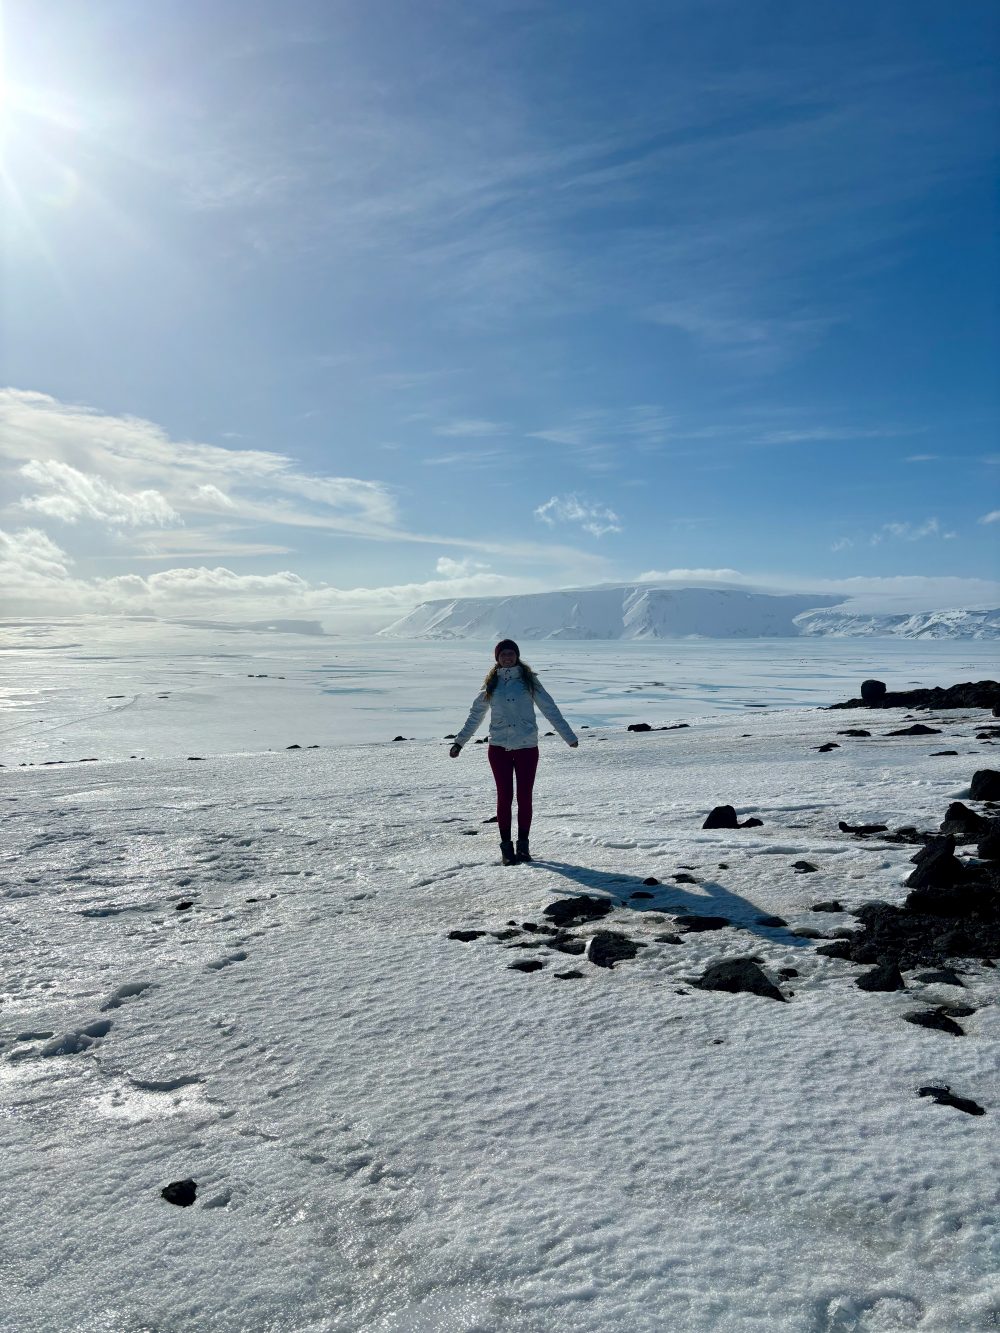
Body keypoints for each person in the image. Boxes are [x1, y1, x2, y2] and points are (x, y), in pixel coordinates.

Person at [449, 639, 578, 865]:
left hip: (527, 747)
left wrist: (569, 737)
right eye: (503, 654)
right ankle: (506, 849)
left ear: (517, 656)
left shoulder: (529, 682)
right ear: (497, 659)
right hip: (498, 748)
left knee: (524, 796)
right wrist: (460, 742)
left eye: (511, 654)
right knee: (504, 797)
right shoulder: (491, 685)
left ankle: (524, 847)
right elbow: (475, 715)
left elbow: (550, 708)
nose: (507, 657)